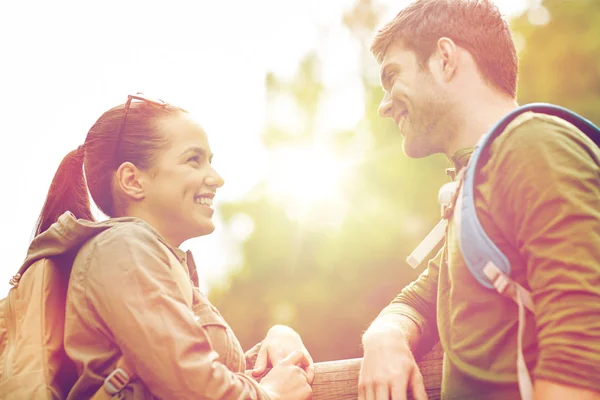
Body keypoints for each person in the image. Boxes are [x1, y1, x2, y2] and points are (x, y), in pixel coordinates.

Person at [357, 1, 600, 399]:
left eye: (392, 75)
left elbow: (583, 342)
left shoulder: (532, 146)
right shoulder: (483, 182)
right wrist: (384, 337)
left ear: (445, 59)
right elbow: (420, 300)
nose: (384, 105)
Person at [28, 94, 314, 399]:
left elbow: (185, 374)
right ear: (132, 180)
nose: (217, 179)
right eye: (194, 160)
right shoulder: (124, 249)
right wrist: (270, 394)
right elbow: (192, 387)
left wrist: (276, 341)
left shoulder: (142, 258)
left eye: (210, 161)